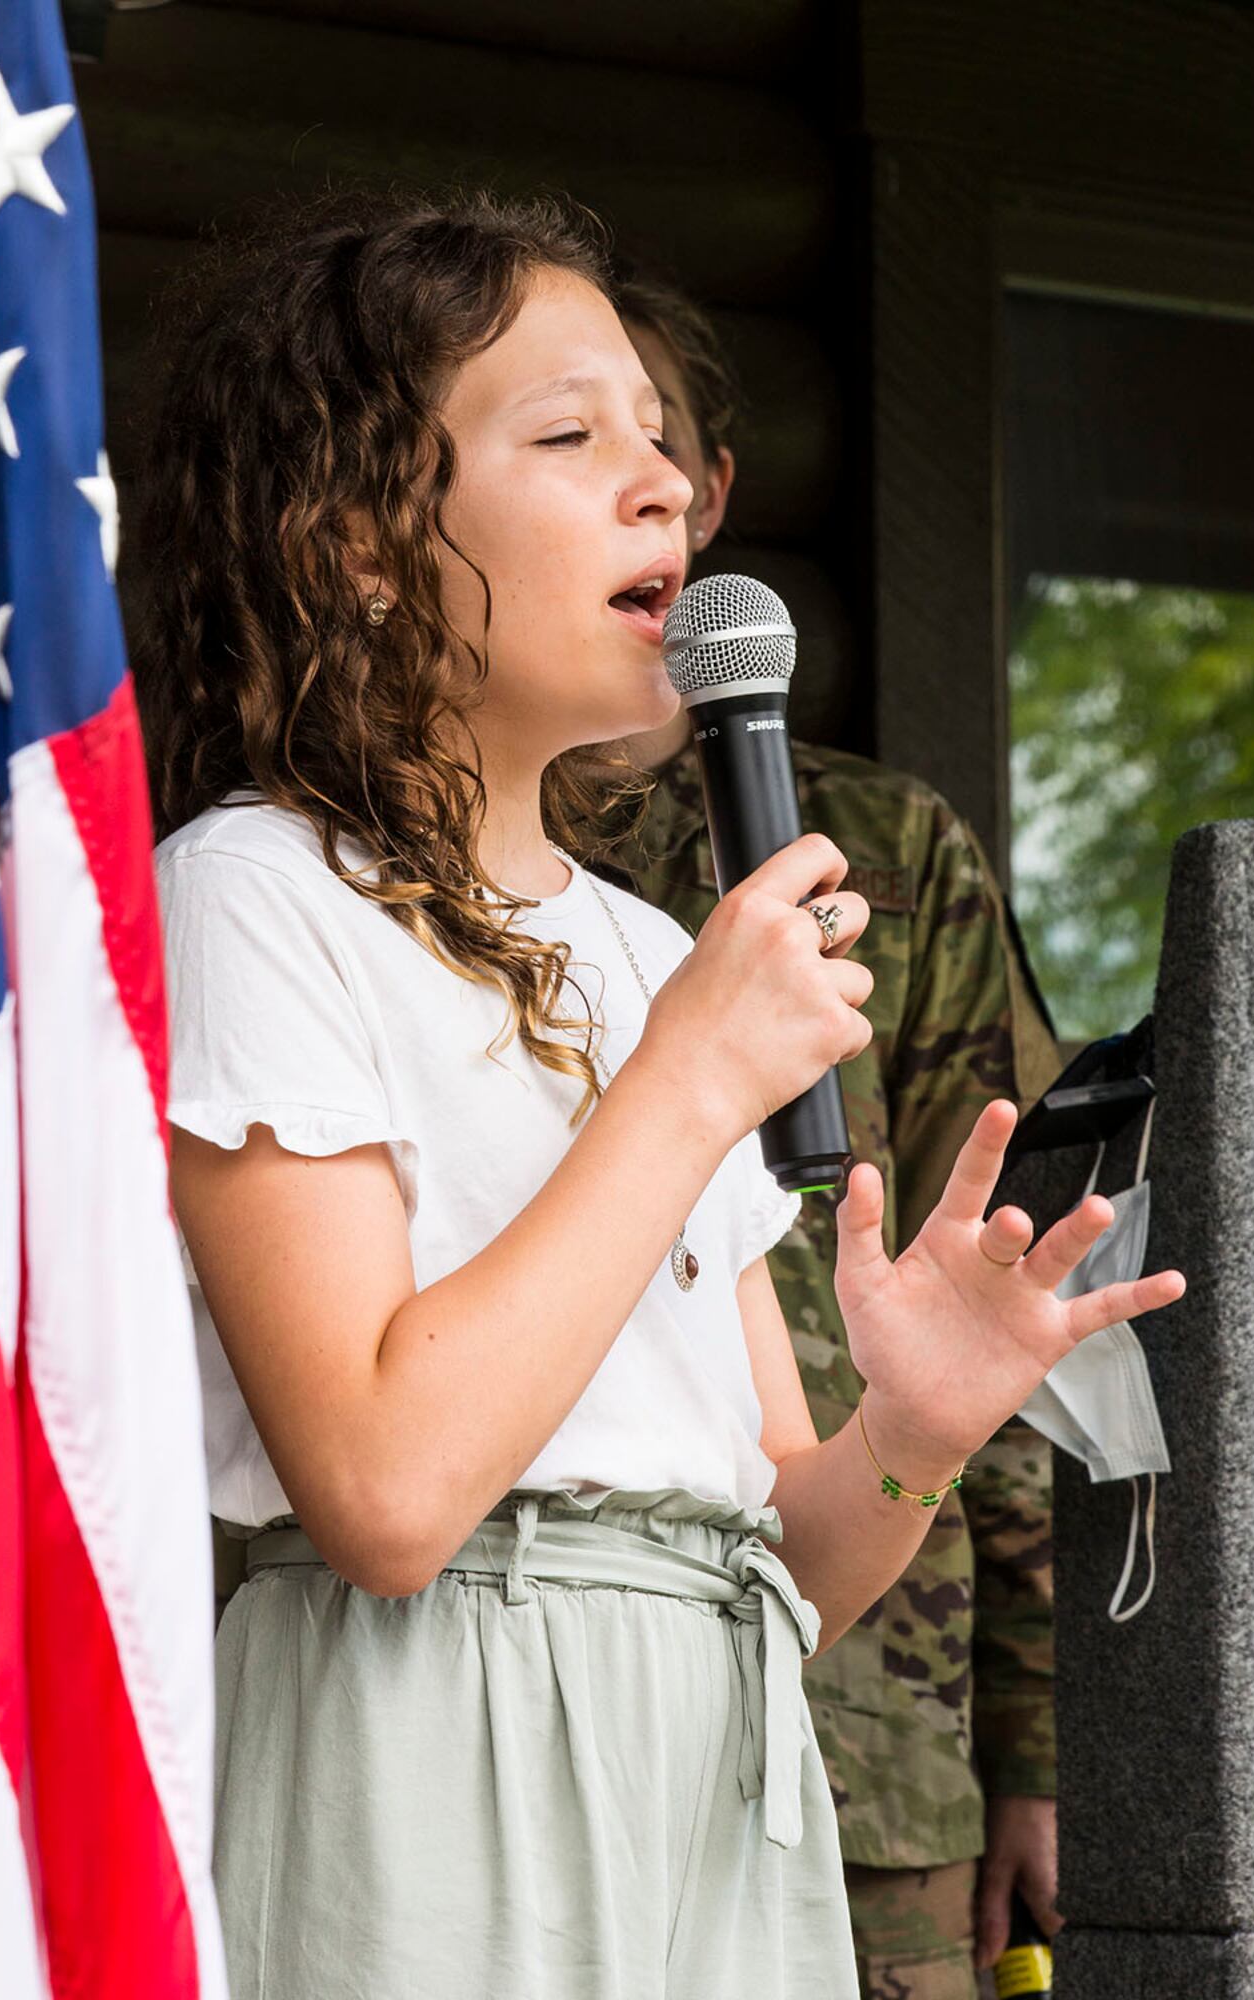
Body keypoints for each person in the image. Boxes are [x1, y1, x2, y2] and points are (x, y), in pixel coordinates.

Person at [134, 189, 1181, 2000]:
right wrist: (689, 1080)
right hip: (429, 1743)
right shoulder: (253, 888)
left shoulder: (642, 949)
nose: (666, 487)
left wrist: (910, 1431)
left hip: (724, 1755)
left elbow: (788, 1548)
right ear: (362, 540)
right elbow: (385, 1493)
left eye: (661, 438)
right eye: (569, 434)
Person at [609, 269, 1063, 1997]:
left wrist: (1031, 1733)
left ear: (713, 495)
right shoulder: (430, 865)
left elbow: (1001, 1270)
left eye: (655, 442)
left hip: (871, 1725)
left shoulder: (881, 847)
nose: (630, 487)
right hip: (526, 1684)